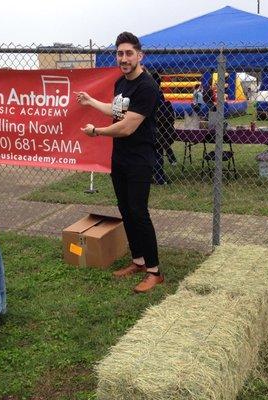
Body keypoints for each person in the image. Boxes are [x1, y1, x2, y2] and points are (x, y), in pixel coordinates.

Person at [76, 32, 163, 293]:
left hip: (139, 159)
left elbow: (126, 127)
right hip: (121, 158)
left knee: (139, 211)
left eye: (128, 53)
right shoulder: (120, 83)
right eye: (119, 53)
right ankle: (137, 261)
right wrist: (91, 102)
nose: (123, 58)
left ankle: (154, 271)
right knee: (125, 210)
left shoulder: (147, 87)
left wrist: (97, 132)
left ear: (139, 55)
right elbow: (116, 112)